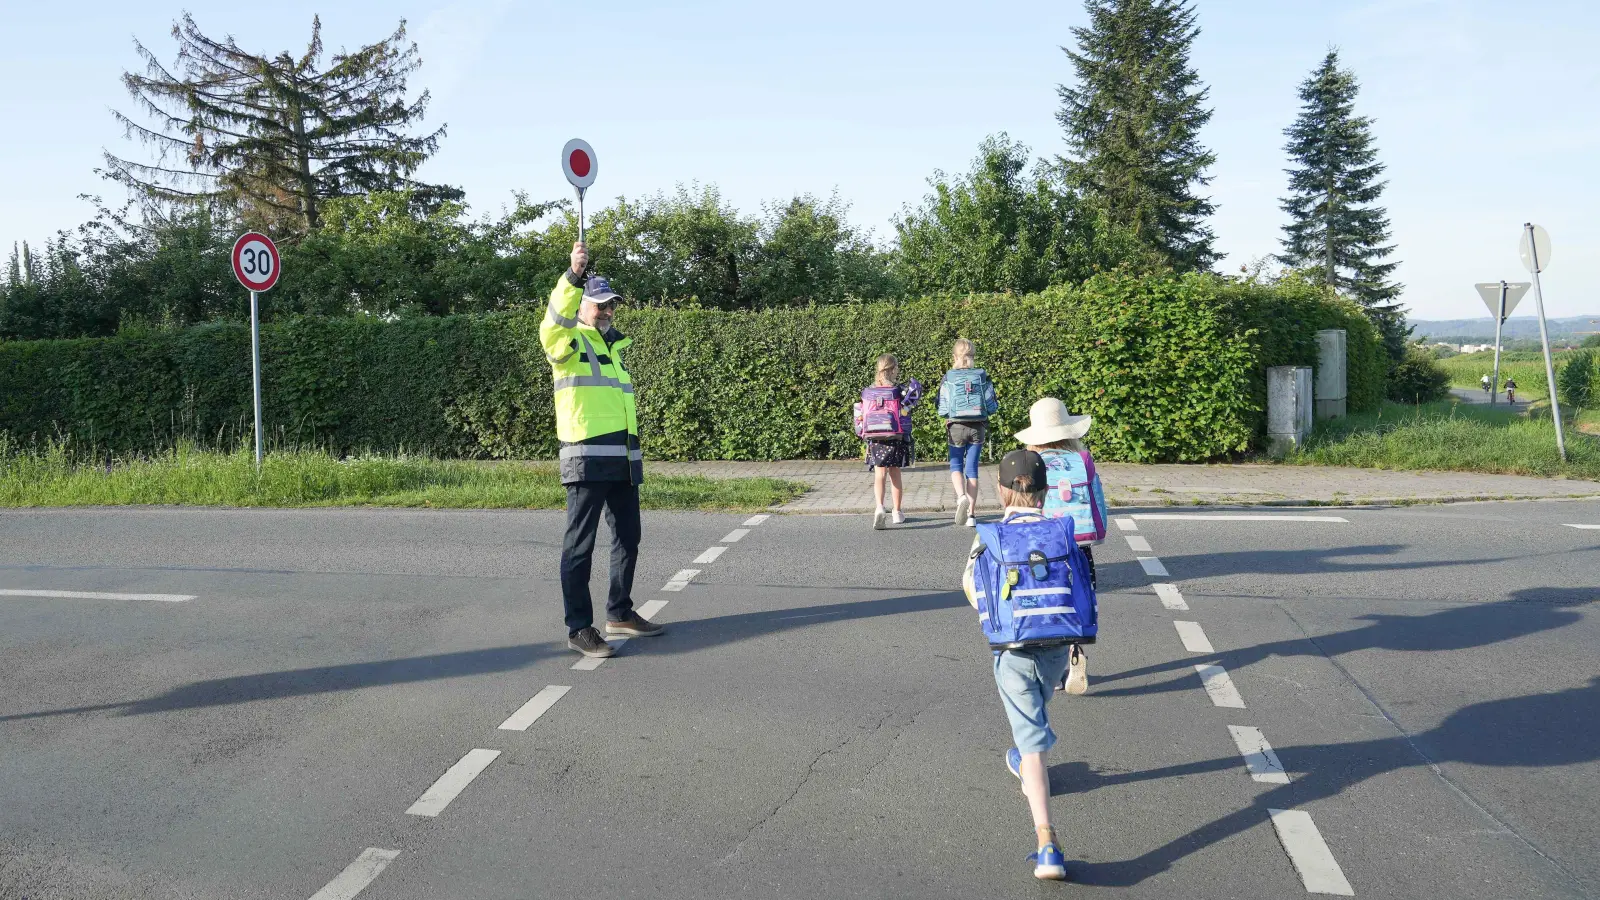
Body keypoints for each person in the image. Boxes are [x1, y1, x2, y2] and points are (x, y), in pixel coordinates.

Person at [539, 241, 664, 659]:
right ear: (582, 308)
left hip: (623, 459)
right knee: (580, 547)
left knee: (629, 537)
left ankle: (620, 612)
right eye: (598, 305)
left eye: (611, 305)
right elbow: (552, 326)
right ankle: (578, 628)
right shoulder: (570, 344)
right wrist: (573, 277)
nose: (607, 311)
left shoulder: (615, 351)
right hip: (586, 457)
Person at [961, 449, 1073, 881]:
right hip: (1057, 647)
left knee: (1033, 747)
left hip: (1013, 649)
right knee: (1037, 708)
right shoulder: (1062, 531)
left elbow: (970, 585)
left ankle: (1046, 842)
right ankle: (1026, 751)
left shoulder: (990, 536)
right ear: (1044, 490)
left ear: (1001, 491)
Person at [1017, 397, 1104, 696]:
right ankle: (1076, 653)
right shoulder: (1083, 461)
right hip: (1079, 545)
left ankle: (1053, 673)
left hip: (1043, 548)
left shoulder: (1030, 464)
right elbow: (1098, 502)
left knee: (1049, 605)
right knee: (1077, 602)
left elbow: (1022, 506)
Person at [937, 338, 999, 528]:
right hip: (977, 427)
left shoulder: (949, 377)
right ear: (973, 356)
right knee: (972, 469)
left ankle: (961, 496)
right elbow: (992, 405)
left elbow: (942, 408)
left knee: (956, 464)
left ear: (954, 356)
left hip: (955, 427)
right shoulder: (982, 376)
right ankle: (971, 514)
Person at [862, 354, 919, 530]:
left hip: (875, 436)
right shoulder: (898, 391)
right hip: (895, 437)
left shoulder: (869, 391)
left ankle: (879, 507)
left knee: (879, 474)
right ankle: (897, 511)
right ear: (893, 370)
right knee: (895, 473)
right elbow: (906, 410)